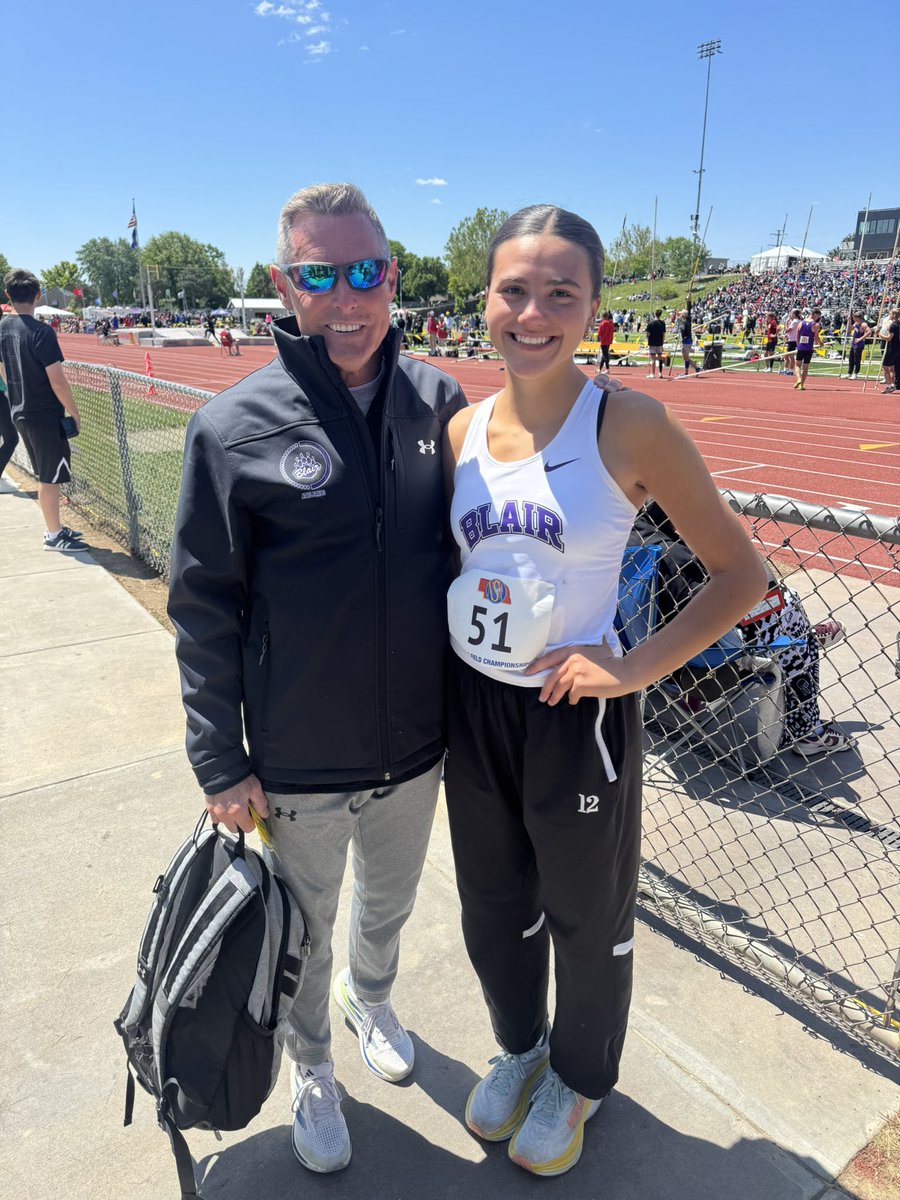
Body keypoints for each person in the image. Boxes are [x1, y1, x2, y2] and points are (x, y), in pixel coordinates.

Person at [442, 205, 766, 1178]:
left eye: (559, 293)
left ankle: (581, 1076)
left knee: (587, 913)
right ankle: (520, 1045)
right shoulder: (461, 425)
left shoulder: (629, 423)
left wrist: (634, 667)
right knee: (492, 904)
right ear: (486, 300)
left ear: (592, 308)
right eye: (513, 290)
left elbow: (740, 576)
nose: (531, 312)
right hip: (476, 705)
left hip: (576, 714)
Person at [167, 182, 467, 1177]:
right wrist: (220, 758)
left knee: (386, 906)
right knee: (299, 932)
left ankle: (373, 999)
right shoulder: (231, 427)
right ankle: (311, 1066)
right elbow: (204, 605)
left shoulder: (439, 402)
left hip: (414, 740)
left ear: (394, 274)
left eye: (367, 271)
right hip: (295, 756)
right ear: (282, 285)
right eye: (320, 275)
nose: (348, 297)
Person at [0, 269, 85, 552]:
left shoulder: (3, 327)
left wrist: (15, 394)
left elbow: (3, 368)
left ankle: (55, 526)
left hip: (20, 411)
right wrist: (74, 412)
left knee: (45, 473)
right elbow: (57, 380)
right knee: (50, 477)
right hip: (43, 415)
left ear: (8, 295)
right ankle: (53, 535)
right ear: (37, 296)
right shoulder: (42, 333)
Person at [793, 308, 822, 391]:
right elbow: (816, 337)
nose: (818, 318)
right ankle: (801, 384)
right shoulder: (816, 324)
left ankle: (798, 379)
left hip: (801, 347)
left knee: (797, 365)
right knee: (805, 367)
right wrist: (820, 343)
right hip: (809, 348)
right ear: (815, 314)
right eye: (818, 316)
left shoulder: (801, 323)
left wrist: (798, 345)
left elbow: (797, 336)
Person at [877, 308, 898, 393]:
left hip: (892, 348)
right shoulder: (898, 324)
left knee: (885, 367)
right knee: (892, 367)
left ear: (894, 315)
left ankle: (889, 386)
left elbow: (888, 338)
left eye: (890, 313)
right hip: (897, 348)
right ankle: (892, 385)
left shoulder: (893, 325)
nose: (889, 315)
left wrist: (879, 334)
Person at [677, 298, 698, 375]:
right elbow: (688, 310)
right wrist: (688, 300)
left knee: (686, 357)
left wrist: (689, 300)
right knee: (685, 357)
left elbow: (683, 333)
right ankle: (692, 369)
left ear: (683, 315)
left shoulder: (685, 322)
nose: (679, 315)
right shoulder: (686, 321)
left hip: (686, 341)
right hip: (687, 340)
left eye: (680, 314)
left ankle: (695, 368)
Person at [847, 312, 870, 379]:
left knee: (856, 359)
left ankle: (856, 373)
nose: (853, 319)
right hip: (853, 343)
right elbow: (849, 329)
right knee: (851, 358)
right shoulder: (856, 323)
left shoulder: (863, 324)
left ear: (858, 318)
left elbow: (869, 332)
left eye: (854, 318)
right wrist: (849, 321)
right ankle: (849, 373)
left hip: (859, 344)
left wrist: (860, 339)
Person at [645, 307, 666, 379]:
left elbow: (647, 334)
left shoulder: (650, 323)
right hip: (659, 342)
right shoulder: (662, 323)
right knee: (659, 358)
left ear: (655, 314)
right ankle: (660, 373)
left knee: (653, 359)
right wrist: (662, 342)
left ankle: (653, 374)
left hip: (652, 343)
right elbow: (663, 334)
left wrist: (648, 340)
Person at [783, 307, 801, 376]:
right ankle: (787, 369)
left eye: (791, 313)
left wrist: (786, 323)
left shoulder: (795, 321)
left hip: (793, 340)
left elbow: (788, 330)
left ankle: (790, 370)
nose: (790, 314)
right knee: (787, 356)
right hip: (792, 339)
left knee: (790, 356)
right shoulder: (796, 321)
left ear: (794, 314)